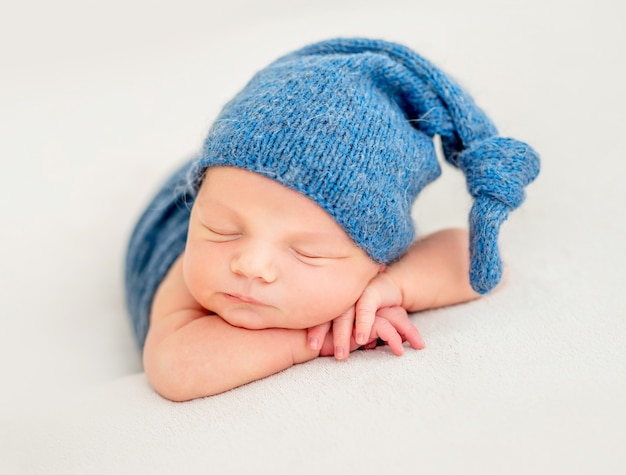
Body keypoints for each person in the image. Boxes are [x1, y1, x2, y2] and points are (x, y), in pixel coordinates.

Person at [125, 38, 540, 401]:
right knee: (247, 190)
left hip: (268, 183)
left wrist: (391, 289)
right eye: (221, 230)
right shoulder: (190, 268)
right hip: (173, 213)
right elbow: (173, 368)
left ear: (379, 259)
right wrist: (315, 337)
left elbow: (478, 263)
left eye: (307, 252)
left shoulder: (373, 259)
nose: (250, 265)